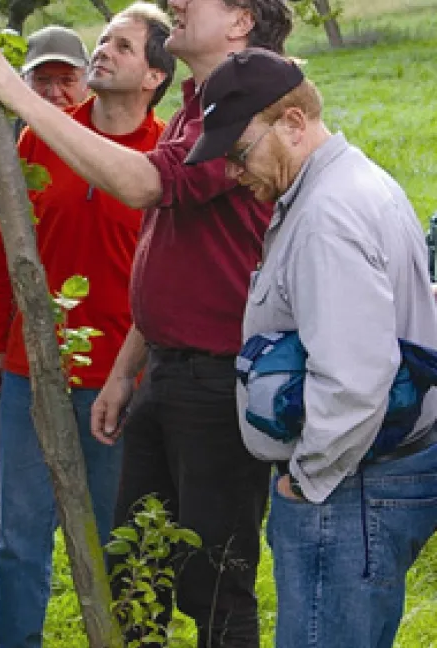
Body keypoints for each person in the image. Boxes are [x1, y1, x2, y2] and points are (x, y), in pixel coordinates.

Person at [0, 1, 294, 645]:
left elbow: (144, 187)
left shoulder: (245, 109)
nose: (178, 5)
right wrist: (125, 371)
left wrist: (15, 93)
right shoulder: (197, 108)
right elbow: (157, 263)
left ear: (242, 20)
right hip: (153, 371)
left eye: (197, 0)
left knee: (211, 579)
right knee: (136, 563)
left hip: (215, 379)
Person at [187, 48, 437, 648]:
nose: (232, 171)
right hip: (364, 476)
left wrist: (307, 477)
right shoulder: (342, 185)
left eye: (239, 152)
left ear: (294, 123)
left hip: (348, 485)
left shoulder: (329, 214)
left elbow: (353, 376)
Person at [0, 5, 174, 646]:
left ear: (154, 76)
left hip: (122, 380)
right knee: (19, 539)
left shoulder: (168, 155)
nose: (103, 50)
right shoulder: (43, 136)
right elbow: (6, 246)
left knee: (122, 536)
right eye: (103, 39)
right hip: (35, 369)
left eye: (122, 45)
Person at [0, 24, 90, 362]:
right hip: (11, 314)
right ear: (21, 83)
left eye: (66, 80)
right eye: (42, 80)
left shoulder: (100, 141)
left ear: (87, 83)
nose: (54, 92)